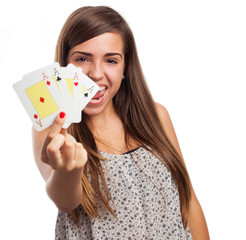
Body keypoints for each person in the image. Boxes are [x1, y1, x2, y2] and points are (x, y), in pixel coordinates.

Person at [32, 6, 210, 240]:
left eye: (111, 60)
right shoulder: (50, 126)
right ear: (64, 65)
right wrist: (68, 171)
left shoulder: (157, 116)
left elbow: (188, 203)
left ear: (125, 66)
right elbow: (66, 202)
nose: (96, 73)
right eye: (82, 58)